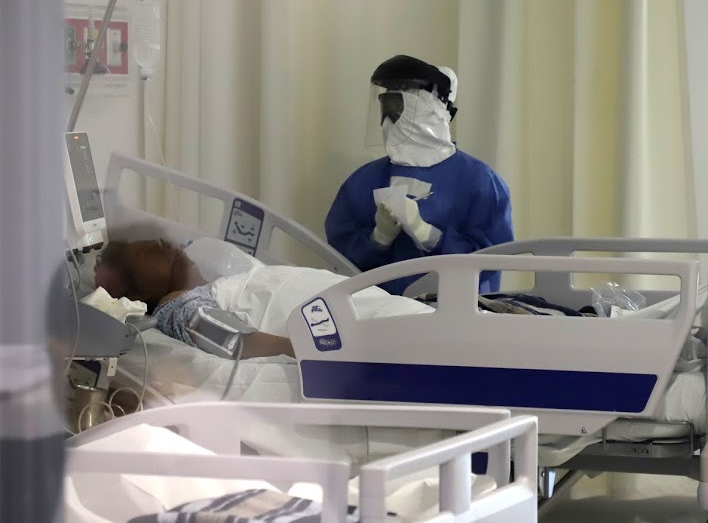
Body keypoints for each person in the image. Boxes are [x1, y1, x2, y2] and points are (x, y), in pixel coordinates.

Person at [325, 55, 514, 296]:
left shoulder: (480, 183)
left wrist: (430, 236)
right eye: (385, 106)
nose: (389, 119)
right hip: (376, 313)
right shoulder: (363, 182)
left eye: (397, 107)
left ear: (432, 111)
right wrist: (377, 239)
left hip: (454, 313)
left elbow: (491, 262)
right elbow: (340, 262)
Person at [94, 239, 296, 359]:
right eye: (151, 251)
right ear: (138, 295)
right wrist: (306, 351)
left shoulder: (212, 284)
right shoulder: (180, 307)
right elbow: (237, 341)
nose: (167, 246)